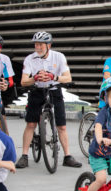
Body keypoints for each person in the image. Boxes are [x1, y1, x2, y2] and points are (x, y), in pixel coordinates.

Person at [16, 31, 81, 169]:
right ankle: (24, 156)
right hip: (37, 91)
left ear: (48, 45)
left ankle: (67, 156)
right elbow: (23, 81)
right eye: (36, 44)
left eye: (41, 44)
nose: (38, 47)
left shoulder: (59, 57)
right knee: (31, 124)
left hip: (54, 91)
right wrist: (35, 78)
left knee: (62, 126)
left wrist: (53, 77)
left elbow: (68, 78)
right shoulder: (29, 59)